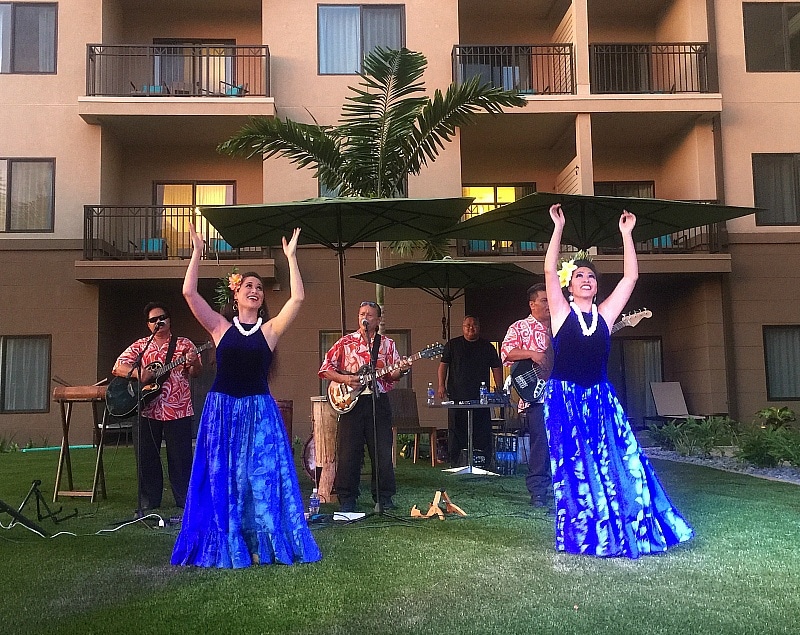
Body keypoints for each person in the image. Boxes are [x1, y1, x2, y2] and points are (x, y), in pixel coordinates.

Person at [543, 203, 693, 558]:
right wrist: (557, 228)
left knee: (619, 462)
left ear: (596, 287)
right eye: (579, 276)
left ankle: (623, 524)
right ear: (570, 286)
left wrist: (627, 235)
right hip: (564, 400)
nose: (586, 280)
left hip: (600, 400)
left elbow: (630, 279)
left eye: (591, 277)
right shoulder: (561, 313)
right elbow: (549, 270)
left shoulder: (606, 314)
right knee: (576, 472)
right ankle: (583, 534)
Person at [171, 223, 321, 568]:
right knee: (225, 477)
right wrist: (196, 252)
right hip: (222, 412)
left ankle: (260, 539)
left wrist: (292, 258)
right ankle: (229, 536)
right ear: (236, 295)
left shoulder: (270, 331)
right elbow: (189, 294)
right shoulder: (220, 327)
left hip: (258, 414)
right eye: (248, 286)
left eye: (259, 288)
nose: (255, 290)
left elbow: (297, 298)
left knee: (260, 478)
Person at [319, 301, 410, 513]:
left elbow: (392, 374)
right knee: (349, 451)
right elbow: (325, 369)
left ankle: (384, 497)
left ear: (378, 320)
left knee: (382, 450)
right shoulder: (346, 342)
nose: (365, 317)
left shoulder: (387, 344)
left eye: (370, 314)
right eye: (362, 313)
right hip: (352, 403)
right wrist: (345, 379)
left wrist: (403, 369)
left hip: (378, 401)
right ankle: (347, 497)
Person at [113, 302, 202, 511]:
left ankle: (184, 500)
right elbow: (118, 366)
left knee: (180, 458)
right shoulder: (140, 346)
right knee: (146, 457)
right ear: (148, 324)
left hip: (177, 408)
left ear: (169, 320)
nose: (158, 322)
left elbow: (196, 372)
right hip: (147, 408)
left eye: (162, 317)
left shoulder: (184, 344)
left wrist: (194, 361)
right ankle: (149, 501)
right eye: (153, 319)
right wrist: (139, 374)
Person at [501, 284, 554, 507]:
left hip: (561, 392)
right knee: (540, 443)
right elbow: (506, 352)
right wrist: (532, 353)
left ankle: (563, 488)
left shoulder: (561, 325)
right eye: (544, 300)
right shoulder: (520, 327)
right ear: (532, 304)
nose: (549, 304)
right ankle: (538, 491)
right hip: (536, 395)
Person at [437, 315, 503, 466]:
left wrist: (499, 388)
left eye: (474, 325)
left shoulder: (487, 346)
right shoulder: (452, 345)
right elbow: (443, 365)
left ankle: (483, 461)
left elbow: (496, 367)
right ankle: (455, 462)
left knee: (482, 428)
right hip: (456, 394)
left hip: (481, 396)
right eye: (468, 325)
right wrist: (441, 385)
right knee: (456, 428)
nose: (471, 328)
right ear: (463, 327)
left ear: (479, 327)